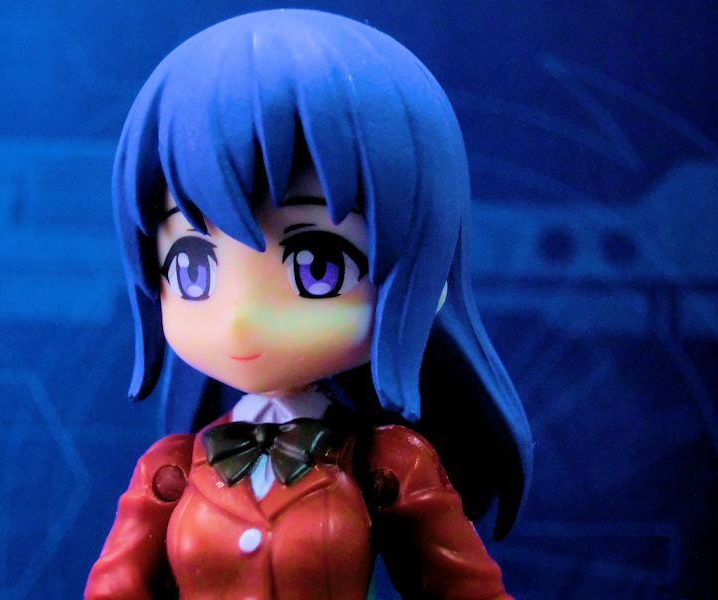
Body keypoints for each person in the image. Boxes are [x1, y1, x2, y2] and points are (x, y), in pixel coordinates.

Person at [86, 9, 532, 599]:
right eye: (192, 267)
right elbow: (115, 589)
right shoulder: (169, 473)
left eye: (317, 266)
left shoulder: (387, 467)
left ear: (425, 273)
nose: (240, 320)